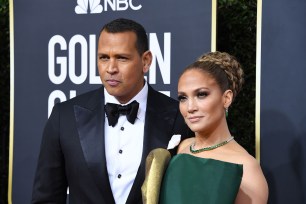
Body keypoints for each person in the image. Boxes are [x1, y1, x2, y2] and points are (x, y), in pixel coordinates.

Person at [31, 18, 192, 204]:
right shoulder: (64, 116)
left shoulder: (180, 116)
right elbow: (46, 198)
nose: (111, 69)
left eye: (122, 58)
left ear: (146, 61)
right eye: (104, 58)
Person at [159, 51, 269, 204]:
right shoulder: (182, 147)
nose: (190, 107)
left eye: (201, 94)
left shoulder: (247, 169)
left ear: (226, 98)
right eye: (183, 98)